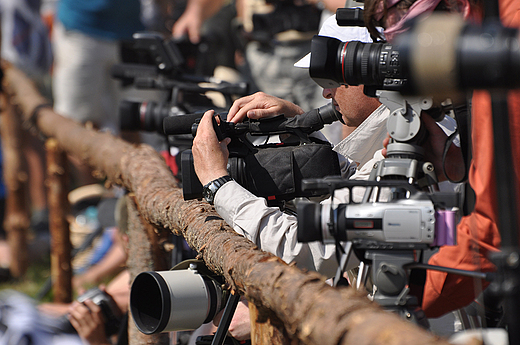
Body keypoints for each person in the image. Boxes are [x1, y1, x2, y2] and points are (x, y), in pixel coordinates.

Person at [361, 0, 520, 318]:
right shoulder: (494, 27)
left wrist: (414, 293)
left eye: (407, 30)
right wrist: (457, 162)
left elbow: (496, 228)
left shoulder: (498, 49)